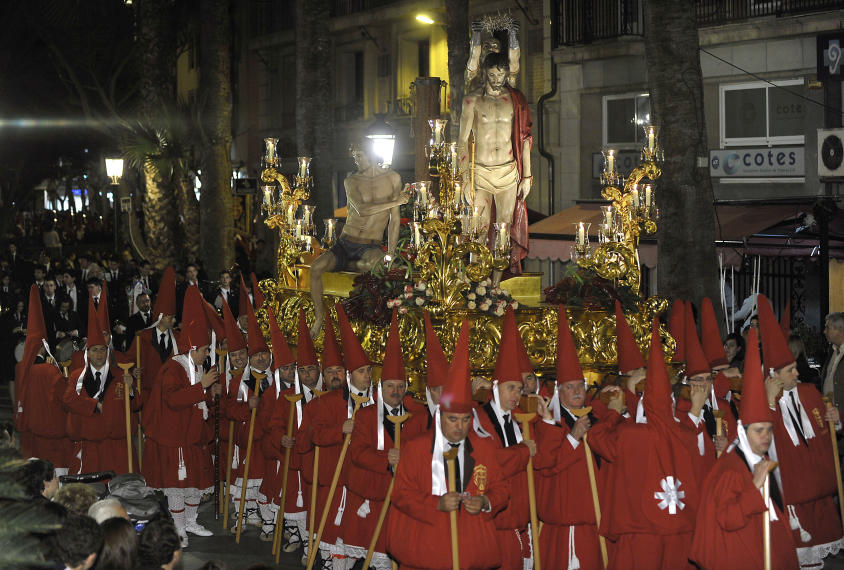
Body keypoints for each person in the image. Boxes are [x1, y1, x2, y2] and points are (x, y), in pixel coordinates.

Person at [387, 319, 507, 569]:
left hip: (469, 551)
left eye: (465, 420)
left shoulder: (483, 448)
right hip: (425, 548)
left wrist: (485, 503)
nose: (459, 426)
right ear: (440, 416)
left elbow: (501, 490)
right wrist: (436, 503)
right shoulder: (417, 449)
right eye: (453, 419)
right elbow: (401, 495)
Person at [586, 319, 701, 569]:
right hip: (680, 533)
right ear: (671, 402)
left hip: (639, 534)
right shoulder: (687, 434)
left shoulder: (630, 434)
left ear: (644, 404)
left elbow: (595, 438)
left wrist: (614, 413)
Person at [690, 328, 799, 569]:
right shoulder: (730, 470)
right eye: (758, 431)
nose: (766, 437)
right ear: (743, 431)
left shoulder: (759, 458)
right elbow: (728, 519)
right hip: (740, 554)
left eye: (768, 430)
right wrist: (754, 486)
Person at [534, 305, 625, 570]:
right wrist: (573, 437)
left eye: (580, 387)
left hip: (596, 522)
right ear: (558, 391)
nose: (576, 392)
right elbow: (547, 465)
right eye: (569, 387)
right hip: (565, 525)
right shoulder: (550, 424)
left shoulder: (596, 417)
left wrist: (614, 413)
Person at [757, 295, 843, 567]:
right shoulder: (762, 402)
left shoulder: (809, 392)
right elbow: (761, 443)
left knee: (819, 556)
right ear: (774, 375)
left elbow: (826, 430)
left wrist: (835, 419)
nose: (797, 374)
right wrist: (769, 402)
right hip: (792, 492)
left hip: (818, 488)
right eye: (791, 370)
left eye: (796, 368)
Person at [340, 310, 428, 567]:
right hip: (373, 492)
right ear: (380, 387)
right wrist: (385, 459)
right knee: (372, 555)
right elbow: (357, 452)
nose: (396, 391)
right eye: (390, 386)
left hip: (402, 497)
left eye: (401, 386)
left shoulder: (416, 416)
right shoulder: (366, 416)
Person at [141, 286, 221, 547]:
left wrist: (209, 392)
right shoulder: (173, 368)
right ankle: (177, 529)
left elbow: (197, 400)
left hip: (193, 435)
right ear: (193, 348)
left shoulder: (196, 367)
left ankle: (190, 521)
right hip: (174, 436)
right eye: (205, 350)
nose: (207, 354)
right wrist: (203, 387)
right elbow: (173, 400)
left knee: (195, 482)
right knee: (178, 484)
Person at [308, 139, 411, 337]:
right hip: (346, 243)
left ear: (371, 154)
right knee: (316, 268)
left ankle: (372, 322)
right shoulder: (351, 181)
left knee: (374, 268)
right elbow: (362, 211)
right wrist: (397, 200)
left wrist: (390, 252)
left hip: (369, 246)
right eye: (354, 157)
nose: (356, 161)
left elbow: (394, 221)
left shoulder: (393, 178)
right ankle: (319, 317)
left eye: (359, 155)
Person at [458, 47, 532, 279]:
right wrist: (464, 177)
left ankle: (496, 286)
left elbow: (525, 139)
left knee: (504, 228)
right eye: (492, 75)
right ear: (485, 73)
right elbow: (462, 140)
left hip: (508, 172)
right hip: (479, 172)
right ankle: (476, 281)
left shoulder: (515, 99)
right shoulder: (472, 101)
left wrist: (528, 175)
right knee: (478, 229)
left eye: (501, 75)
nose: (497, 80)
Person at [473, 307, 535, 568]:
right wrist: (523, 452)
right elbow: (489, 461)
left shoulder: (522, 418)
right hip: (492, 524)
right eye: (511, 388)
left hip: (518, 522)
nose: (516, 395)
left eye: (519, 389)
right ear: (496, 387)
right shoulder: (479, 418)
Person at [63, 298, 139, 475]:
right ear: (87, 353)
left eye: (102, 350)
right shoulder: (77, 376)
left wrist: (131, 390)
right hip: (89, 442)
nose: (99, 354)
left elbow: (135, 406)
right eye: (94, 350)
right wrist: (93, 405)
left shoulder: (120, 375)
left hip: (115, 443)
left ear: (108, 351)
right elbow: (68, 400)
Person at [821, 312, 844, 405]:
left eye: (827, 328)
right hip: (830, 412)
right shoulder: (832, 351)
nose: (824, 331)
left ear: (840, 330)